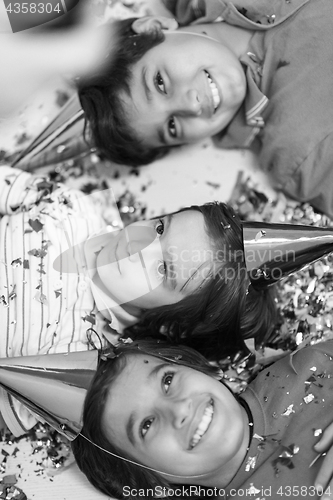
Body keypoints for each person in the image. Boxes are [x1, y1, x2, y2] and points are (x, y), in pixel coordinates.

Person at [0, 165, 276, 436]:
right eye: (159, 229)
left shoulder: (78, 355)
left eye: (163, 269)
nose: (140, 246)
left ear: (172, 323)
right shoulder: (74, 209)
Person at [78, 0, 333, 218]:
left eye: (160, 83)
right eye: (172, 126)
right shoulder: (298, 157)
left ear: (155, 27)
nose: (190, 105)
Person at [72, 338, 333, 500]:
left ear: (205, 369)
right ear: (152, 484)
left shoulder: (309, 366)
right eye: (146, 425)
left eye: (167, 380)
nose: (180, 410)